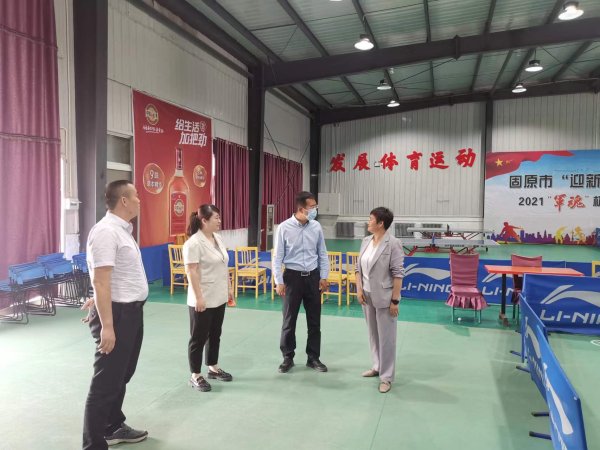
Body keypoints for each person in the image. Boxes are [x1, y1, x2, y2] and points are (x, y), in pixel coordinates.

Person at [83, 180, 148, 449]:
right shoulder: (106, 232)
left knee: (122, 375)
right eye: (136, 196)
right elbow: (100, 280)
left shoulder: (123, 231)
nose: (139, 200)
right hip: (117, 317)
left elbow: (113, 276)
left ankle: (112, 426)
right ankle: (93, 444)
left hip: (130, 313)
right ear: (124, 201)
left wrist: (97, 300)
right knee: (105, 383)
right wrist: (107, 325)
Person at [272, 191, 330, 373]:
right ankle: (287, 357)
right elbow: (277, 256)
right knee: (289, 320)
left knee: (314, 321)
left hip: (313, 277)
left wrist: (324, 276)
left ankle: (313, 358)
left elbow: (322, 253)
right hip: (292, 278)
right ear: (301, 209)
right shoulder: (284, 228)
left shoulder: (316, 227)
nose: (315, 210)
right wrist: (279, 281)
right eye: (312, 207)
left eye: (315, 206)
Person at [183, 204, 233, 392]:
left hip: (219, 295)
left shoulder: (217, 238)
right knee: (198, 337)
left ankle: (213, 367)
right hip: (202, 297)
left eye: (219, 217)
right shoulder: (193, 243)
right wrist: (199, 298)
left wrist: (229, 288)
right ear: (204, 220)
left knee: (215, 333)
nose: (219, 221)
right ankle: (195, 375)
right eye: (216, 218)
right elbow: (191, 271)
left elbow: (224, 265)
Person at [355, 207, 404, 394]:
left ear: (381, 223)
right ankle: (376, 366)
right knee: (373, 335)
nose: (368, 222)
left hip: (385, 298)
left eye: (370, 219)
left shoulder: (393, 244)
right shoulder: (366, 241)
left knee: (387, 339)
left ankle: (386, 377)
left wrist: (395, 301)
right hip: (367, 296)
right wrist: (359, 289)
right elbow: (358, 269)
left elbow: (398, 274)